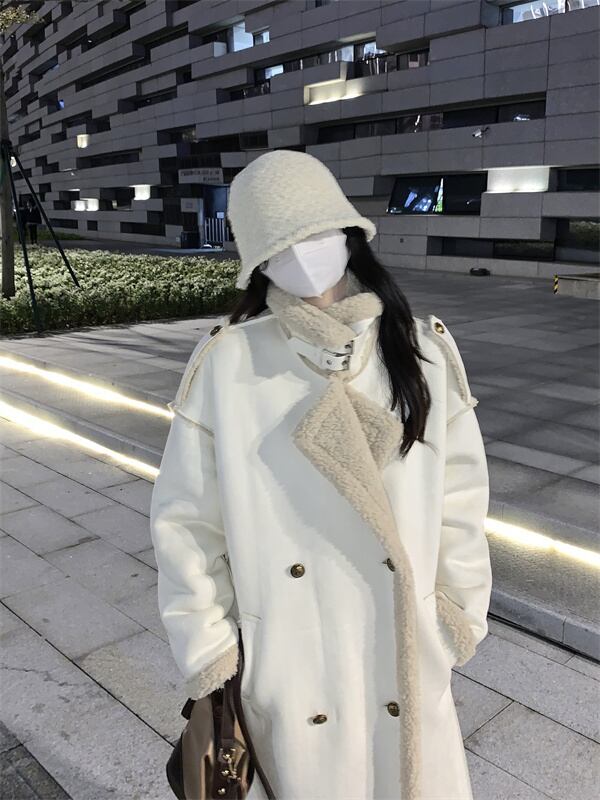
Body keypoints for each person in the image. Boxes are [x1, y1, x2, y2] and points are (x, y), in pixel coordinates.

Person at [150, 149, 493, 800]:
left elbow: (462, 499)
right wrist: (211, 651)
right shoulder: (228, 363)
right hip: (291, 664)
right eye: (280, 246)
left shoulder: (422, 351)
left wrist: (455, 612)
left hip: (405, 650)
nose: (303, 257)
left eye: (313, 234)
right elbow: (187, 522)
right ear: (259, 263)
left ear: (348, 233)